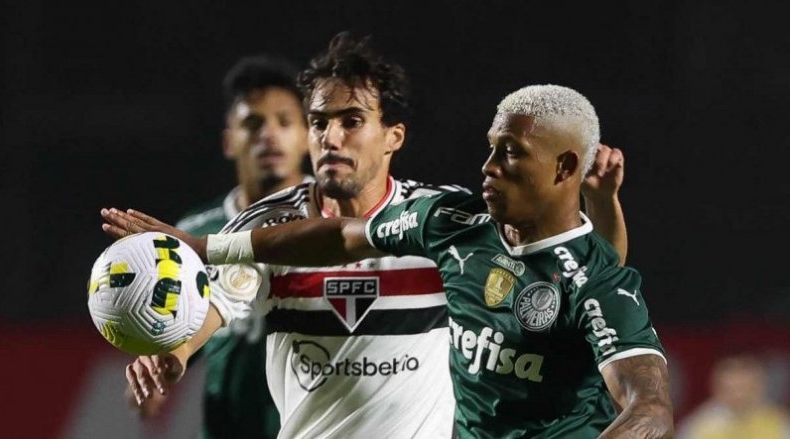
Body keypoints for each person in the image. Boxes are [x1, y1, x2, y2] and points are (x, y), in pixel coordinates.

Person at [103, 41, 637, 437]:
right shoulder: (268, 230)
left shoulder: (442, 222)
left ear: (393, 136)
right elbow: (216, 304)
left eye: (351, 120)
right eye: (318, 122)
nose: (330, 137)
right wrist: (173, 353)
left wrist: (601, 202)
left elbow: (588, 274)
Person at [128, 55, 310, 439]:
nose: (269, 135)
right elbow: (172, 335)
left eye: (284, 121)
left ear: (308, 136)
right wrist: (152, 375)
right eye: (253, 123)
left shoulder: (333, 225)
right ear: (230, 141)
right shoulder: (195, 232)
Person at [677, 350, 790, 439]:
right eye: (731, 389)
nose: (739, 396)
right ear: (715, 386)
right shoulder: (697, 428)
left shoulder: (781, 424)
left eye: (745, 388)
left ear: (761, 384)